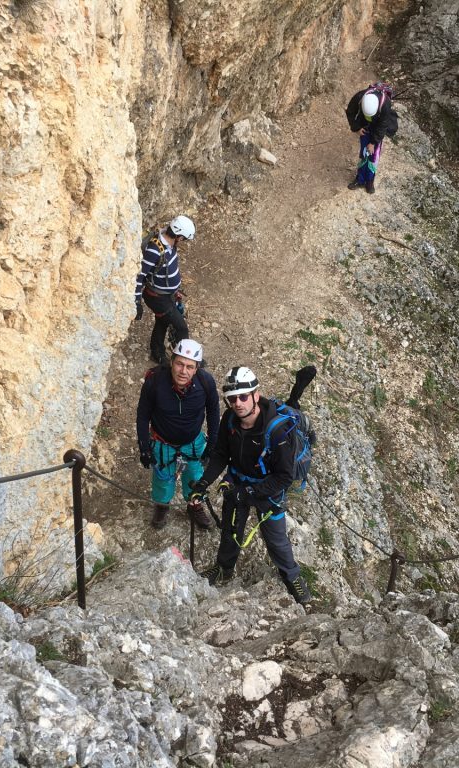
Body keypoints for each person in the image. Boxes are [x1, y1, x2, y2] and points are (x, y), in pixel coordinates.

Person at [189, 366, 314, 604]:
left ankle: (292, 577)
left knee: (276, 539)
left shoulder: (276, 432)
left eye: (243, 396)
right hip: (238, 483)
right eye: (232, 399)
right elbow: (221, 455)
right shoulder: (230, 420)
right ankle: (224, 568)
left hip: (267, 490)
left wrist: (248, 492)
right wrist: (204, 483)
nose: (237, 403)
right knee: (230, 531)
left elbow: (284, 476)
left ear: (256, 395)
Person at [136, 338, 220, 530]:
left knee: (195, 474)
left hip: (193, 441)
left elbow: (214, 411)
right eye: (179, 364)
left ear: (196, 368)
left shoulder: (205, 383)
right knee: (162, 477)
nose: (184, 371)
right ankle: (162, 505)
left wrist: (213, 444)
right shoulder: (155, 380)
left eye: (190, 366)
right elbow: (143, 415)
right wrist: (144, 446)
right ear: (171, 362)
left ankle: (194, 504)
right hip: (162, 441)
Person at [134, 215, 196, 364]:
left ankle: (158, 353)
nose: (183, 242)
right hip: (157, 297)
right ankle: (185, 359)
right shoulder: (155, 250)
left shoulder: (170, 243)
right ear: (180, 236)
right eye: (184, 239)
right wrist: (136, 300)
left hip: (167, 295)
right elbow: (140, 275)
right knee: (181, 327)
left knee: (162, 321)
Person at [345, 83, 399, 194]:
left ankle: (369, 181)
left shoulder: (385, 104)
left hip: (377, 126)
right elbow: (350, 111)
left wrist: (374, 142)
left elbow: (383, 125)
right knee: (364, 152)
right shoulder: (360, 97)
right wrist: (356, 128)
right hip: (364, 126)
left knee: (374, 156)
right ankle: (360, 179)